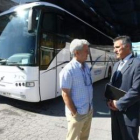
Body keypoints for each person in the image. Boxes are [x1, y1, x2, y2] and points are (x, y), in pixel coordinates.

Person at [107, 35, 140, 140]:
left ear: (127, 47)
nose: (114, 50)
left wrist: (119, 104)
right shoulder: (116, 65)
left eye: (117, 47)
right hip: (115, 113)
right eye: (114, 47)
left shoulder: (137, 64)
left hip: (129, 115)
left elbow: (137, 90)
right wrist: (109, 100)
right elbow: (112, 85)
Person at [59, 39, 93, 140]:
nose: (88, 53)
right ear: (77, 53)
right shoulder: (68, 70)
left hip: (89, 111)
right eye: (86, 51)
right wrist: (75, 114)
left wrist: (90, 109)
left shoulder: (86, 67)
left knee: (84, 138)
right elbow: (65, 94)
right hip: (77, 114)